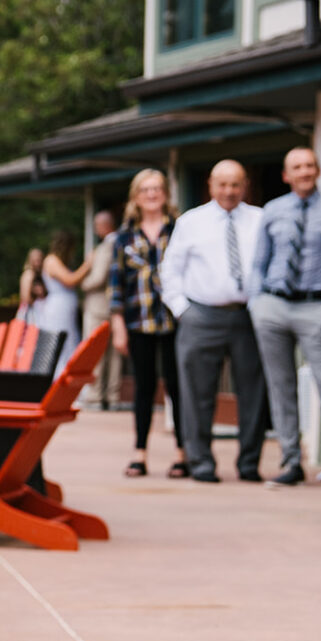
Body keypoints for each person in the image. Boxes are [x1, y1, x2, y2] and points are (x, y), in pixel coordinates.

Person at [249, 147, 321, 493]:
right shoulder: (273, 210)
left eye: (309, 165)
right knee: (280, 386)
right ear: (286, 175)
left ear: (318, 170)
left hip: (315, 307)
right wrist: (257, 304)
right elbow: (258, 263)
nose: (304, 171)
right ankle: (290, 462)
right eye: (297, 167)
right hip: (273, 306)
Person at [159, 158, 269, 483]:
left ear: (244, 186)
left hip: (248, 315)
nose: (229, 191)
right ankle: (201, 463)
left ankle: (249, 463)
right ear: (211, 185)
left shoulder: (261, 220)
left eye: (235, 184)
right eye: (222, 184)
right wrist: (182, 309)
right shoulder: (191, 221)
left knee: (253, 391)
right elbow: (170, 270)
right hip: (201, 315)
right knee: (197, 392)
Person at [109, 169, 187, 478]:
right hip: (138, 321)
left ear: (166, 193)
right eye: (146, 189)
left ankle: (182, 453)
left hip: (175, 320)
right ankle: (139, 453)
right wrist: (117, 325)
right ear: (136, 197)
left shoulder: (180, 229)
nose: (152, 194)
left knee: (177, 386)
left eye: (157, 189)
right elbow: (116, 285)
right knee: (144, 387)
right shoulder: (124, 236)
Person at [79, 210, 121, 408]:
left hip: (99, 306)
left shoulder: (107, 246)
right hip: (115, 307)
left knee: (96, 352)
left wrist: (81, 282)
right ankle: (113, 396)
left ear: (105, 225)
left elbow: (98, 278)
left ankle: (96, 395)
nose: (96, 229)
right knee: (114, 354)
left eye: (97, 225)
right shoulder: (122, 242)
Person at [29, 230, 86, 374]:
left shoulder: (58, 261)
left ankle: (68, 374)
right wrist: (89, 264)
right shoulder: (52, 260)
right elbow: (70, 280)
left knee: (70, 339)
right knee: (62, 342)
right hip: (58, 310)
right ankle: (59, 376)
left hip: (65, 309)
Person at [16, 246, 46, 322]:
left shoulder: (39, 274)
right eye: (35, 260)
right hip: (30, 312)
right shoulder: (29, 273)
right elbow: (25, 297)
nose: (37, 263)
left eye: (39, 260)